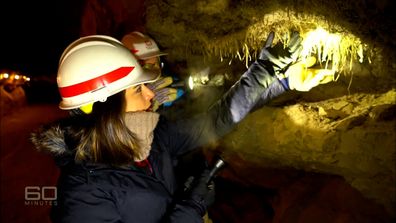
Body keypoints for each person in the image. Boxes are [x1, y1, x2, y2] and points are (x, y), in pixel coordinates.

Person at [31, 32, 333, 223]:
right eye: (138, 90)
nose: (151, 95)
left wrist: (273, 77)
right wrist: (190, 207)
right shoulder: (83, 193)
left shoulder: (154, 139)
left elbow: (218, 119)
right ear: (103, 107)